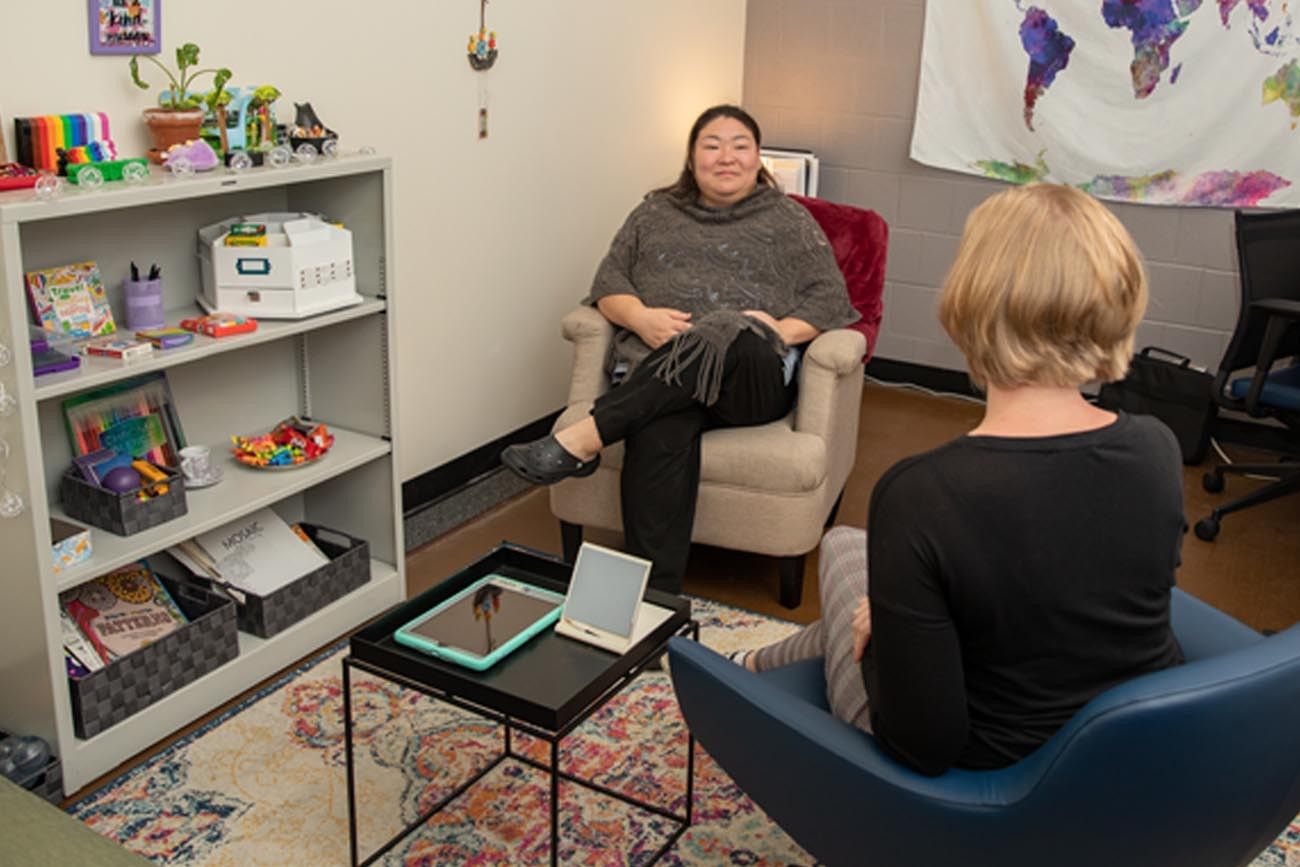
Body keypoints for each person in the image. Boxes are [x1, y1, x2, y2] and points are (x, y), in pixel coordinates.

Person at [736, 182, 1186, 776]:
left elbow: (922, 744)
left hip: (989, 777)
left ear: (970, 303)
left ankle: (743, 673)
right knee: (857, 560)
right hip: (1124, 750)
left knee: (846, 555)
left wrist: (888, 637)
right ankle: (752, 664)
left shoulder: (923, 494)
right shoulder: (1157, 446)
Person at [501, 104, 859, 593]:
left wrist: (773, 328)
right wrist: (640, 318)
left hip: (749, 382)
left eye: (740, 146)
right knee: (660, 423)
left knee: (728, 329)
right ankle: (654, 595)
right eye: (711, 145)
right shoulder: (654, 213)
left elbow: (830, 300)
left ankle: (585, 437)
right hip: (664, 381)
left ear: (759, 160)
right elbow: (609, 284)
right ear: (692, 159)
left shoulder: (788, 220)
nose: (726, 157)